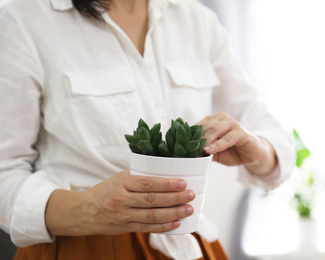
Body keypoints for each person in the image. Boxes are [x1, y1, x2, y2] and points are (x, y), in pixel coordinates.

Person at [0, 0, 296, 259]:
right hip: (80, 250)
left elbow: (270, 134)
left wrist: (257, 147)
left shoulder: (196, 19)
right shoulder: (25, 20)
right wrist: (89, 207)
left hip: (190, 246)